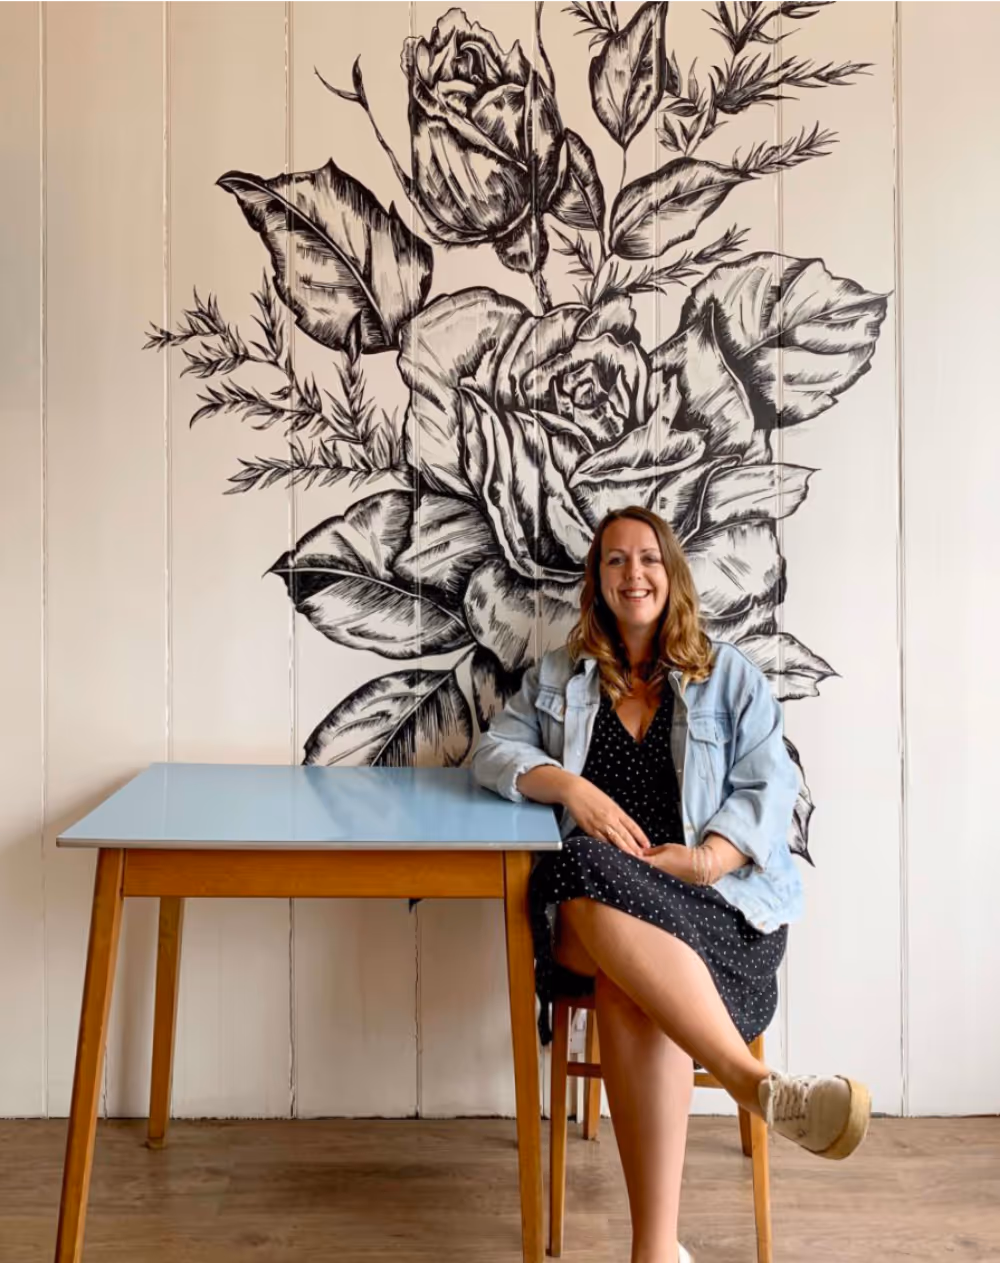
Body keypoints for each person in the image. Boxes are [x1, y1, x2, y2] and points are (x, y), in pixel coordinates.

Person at [472, 505, 870, 1263]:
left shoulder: (730, 677)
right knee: (583, 862)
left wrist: (706, 860)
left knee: (631, 987)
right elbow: (493, 751)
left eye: (648, 558)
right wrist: (571, 788)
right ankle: (756, 1085)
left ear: (672, 572)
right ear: (597, 580)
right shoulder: (560, 676)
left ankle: (655, 1253)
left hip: (717, 915)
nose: (634, 573)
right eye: (616, 560)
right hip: (590, 909)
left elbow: (770, 786)